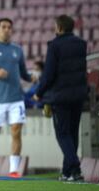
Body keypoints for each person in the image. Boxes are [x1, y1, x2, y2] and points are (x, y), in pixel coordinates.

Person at [34, 15, 87, 181]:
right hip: (78, 95)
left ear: (60, 28)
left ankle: (75, 168)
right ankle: (67, 172)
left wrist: (39, 92)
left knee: (63, 134)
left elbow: (49, 74)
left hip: (61, 96)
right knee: (72, 133)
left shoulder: (55, 45)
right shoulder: (81, 44)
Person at [0, 18, 36, 178]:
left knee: (16, 132)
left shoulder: (17, 50)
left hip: (16, 99)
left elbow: (24, 73)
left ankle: (13, 170)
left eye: (9, 27)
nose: (7, 29)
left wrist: (30, 77)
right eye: (3, 27)